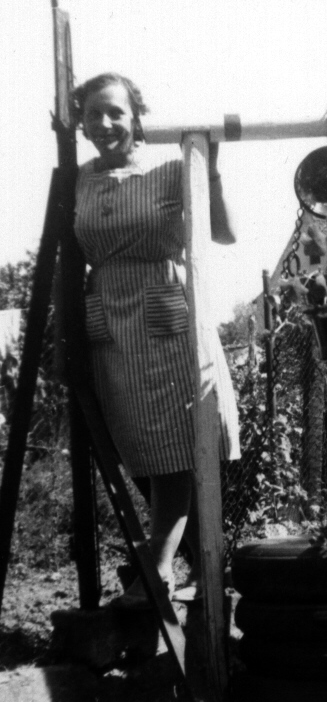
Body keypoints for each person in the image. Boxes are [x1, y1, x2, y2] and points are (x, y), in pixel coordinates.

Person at [70, 72, 241, 607]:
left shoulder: (170, 169)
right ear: (81, 123)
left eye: (115, 112)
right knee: (140, 449)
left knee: (175, 446)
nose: (104, 123)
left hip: (166, 320)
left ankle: (158, 571)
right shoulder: (78, 180)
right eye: (93, 114)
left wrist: (210, 171)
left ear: (136, 117)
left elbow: (224, 232)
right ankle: (203, 568)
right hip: (109, 323)